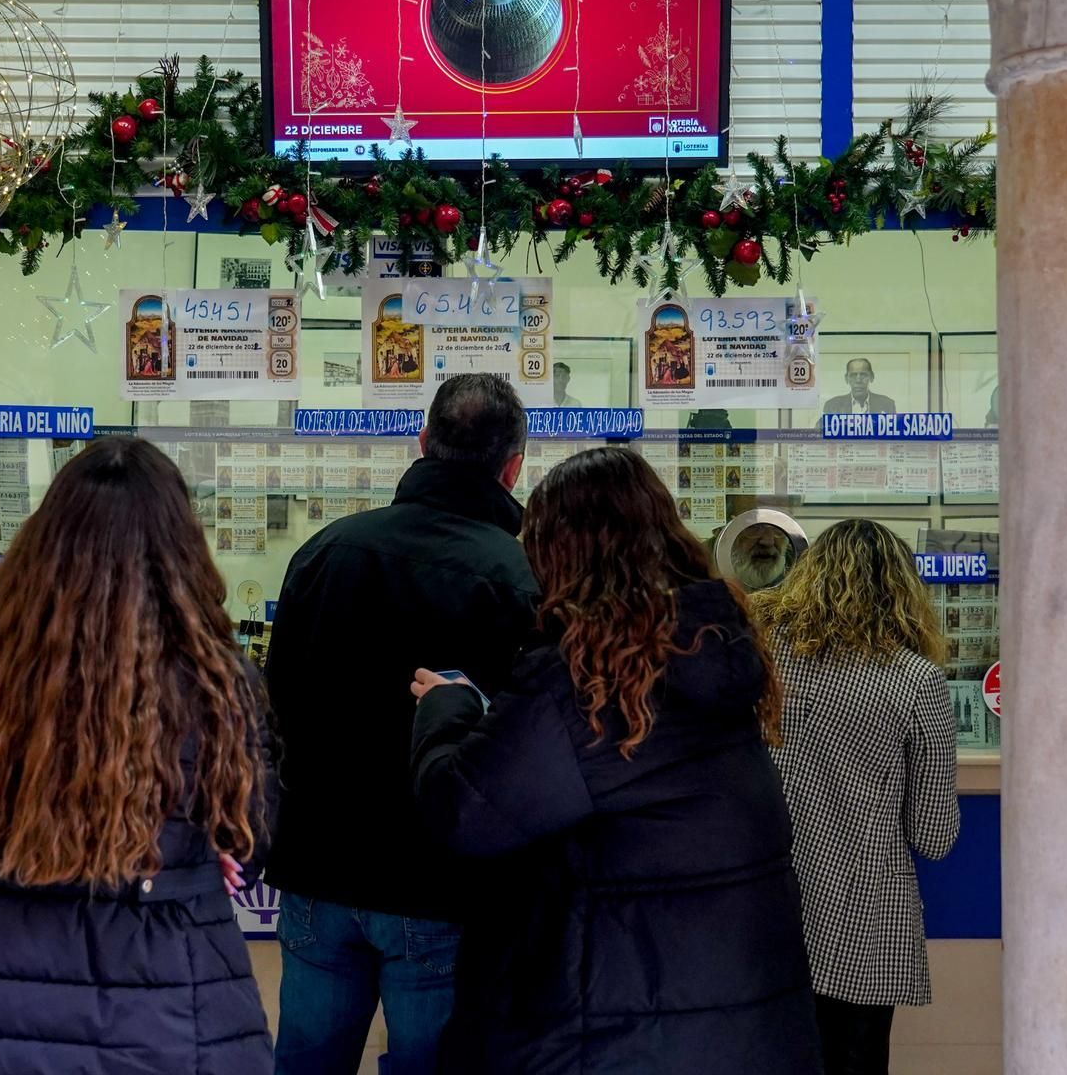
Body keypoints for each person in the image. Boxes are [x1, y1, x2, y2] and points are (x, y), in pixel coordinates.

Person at [408, 447, 823, 1075]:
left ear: (565, 553)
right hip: (739, 1033)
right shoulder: (711, 654)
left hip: (613, 1037)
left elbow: (462, 811)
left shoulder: (584, 683)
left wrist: (451, 707)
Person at [0, 436, 276, 1075]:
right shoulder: (215, 681)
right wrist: (204, 846)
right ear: (181, 547)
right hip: (159, 1003)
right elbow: (251, 833)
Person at [265, 373, 538, 1075]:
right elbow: (521, 749)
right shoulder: (518, 576)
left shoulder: (326, 552)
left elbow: (277, 705)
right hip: (439, 885)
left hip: (319, 867)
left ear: (421, 443)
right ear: (514, 465)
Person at [750, 519, 961, 1075]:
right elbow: (934, 837)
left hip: (769, 917)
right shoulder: (915, 680)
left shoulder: (766, 656)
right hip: (867, 926)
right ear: (903, 591)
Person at [823, 358, 898, 415]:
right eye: (853, 375)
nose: (858, 380)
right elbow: (820, 431)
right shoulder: (832, 406)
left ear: (871, 377)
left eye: (863, 375)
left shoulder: (887, 404)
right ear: (846, 378)